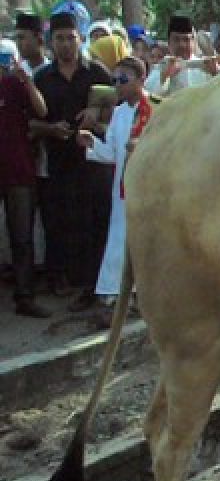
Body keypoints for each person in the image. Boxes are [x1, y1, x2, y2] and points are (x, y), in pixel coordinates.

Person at [30, 11, 113, 311]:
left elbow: (117, 111)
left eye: (71, 38)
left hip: (93, 162)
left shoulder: (98, 73)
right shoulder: (42, 78)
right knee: (61, 222)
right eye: (60, 39)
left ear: (80, 39)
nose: (66, 44)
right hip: (58, 163)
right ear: (51, 42)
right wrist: (51, 129)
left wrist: (96, 117)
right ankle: (64, 279)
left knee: (96, 223)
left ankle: (96, 286)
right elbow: (29, 123)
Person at [76, 56, 153, 327]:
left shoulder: (154, 110)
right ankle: (115, 299)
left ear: (141, 80)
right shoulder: (120, 113)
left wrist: (142, 149)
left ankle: (143, 299)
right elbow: (111, 153)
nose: (118, 85)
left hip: (148, 191)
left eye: (124, 80)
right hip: (122, 191)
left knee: (146, 245)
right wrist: (91, 143)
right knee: (119, 241)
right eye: (115, 80)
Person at [0, 47, 51, 317]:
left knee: (22, 236)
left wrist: (28, 80)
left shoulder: (14, 84)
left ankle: (25, 296)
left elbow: (42, 111)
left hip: (18, 168)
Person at [145, 15, 220, 95]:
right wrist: (164, 76)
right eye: (176, 39)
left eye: (186, 39)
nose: (182, 45)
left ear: (193, 42)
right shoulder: (161, 67)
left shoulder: (206, 65)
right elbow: (148, 93)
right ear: (169, 43)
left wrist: (216, 72)